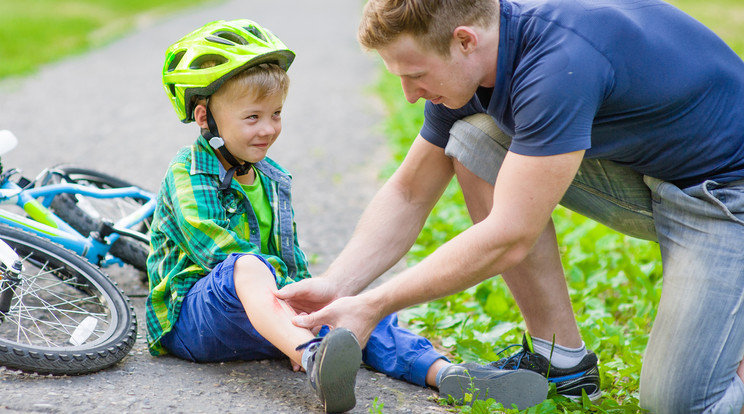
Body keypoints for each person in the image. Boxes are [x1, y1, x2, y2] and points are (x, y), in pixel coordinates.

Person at [275, 0, 744, 412]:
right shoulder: (479, 57)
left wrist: (373, 304)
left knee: (681, 405)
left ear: (464, 40)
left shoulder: (557, 62)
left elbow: (510, 235)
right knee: (475, 138)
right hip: (654, 172)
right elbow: (409, 192)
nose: (410, 94)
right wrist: (339, 286)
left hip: (725, 195)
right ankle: (561, 359)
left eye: (416, 75)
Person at [146, 18, 548, 413]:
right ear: (204, 117)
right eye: (252, 118)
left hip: (266, 316)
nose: (268, 129)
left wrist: (311, 305)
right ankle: (312, 357)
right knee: (247, 266)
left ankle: (446, 374)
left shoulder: (271, 176)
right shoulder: (189, 171)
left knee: (350, 309)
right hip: (194, 320)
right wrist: (293, 314)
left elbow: (288, 258)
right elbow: (216, 251)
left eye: (276, 114)